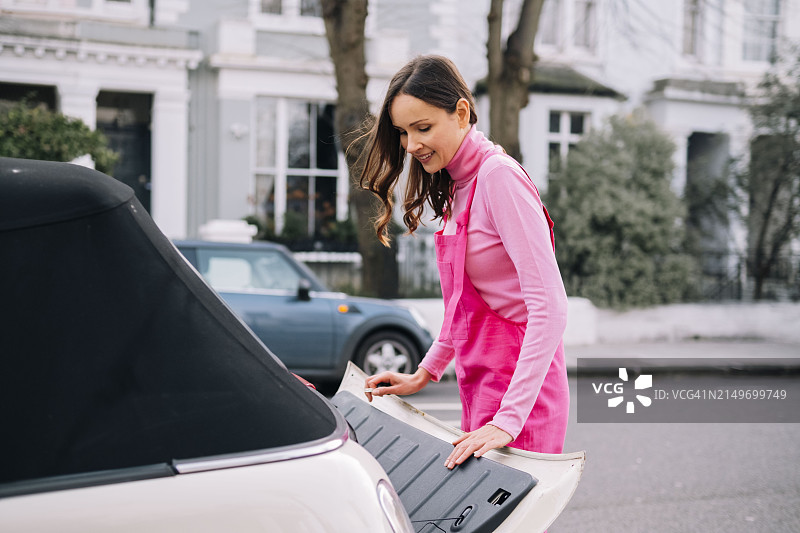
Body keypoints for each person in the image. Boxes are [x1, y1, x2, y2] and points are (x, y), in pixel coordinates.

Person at [360, 55, 569, 470]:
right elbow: (464, 304)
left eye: (422, 128)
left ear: (460, 112)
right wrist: (426, 371)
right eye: (403, 132)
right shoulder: (460, 187)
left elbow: (551, 308)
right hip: (482, 388)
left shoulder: (498, 178)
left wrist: (509, 420)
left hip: (520, 400)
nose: (411, 144)